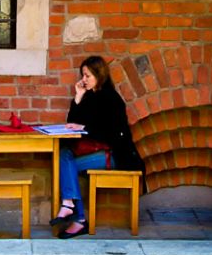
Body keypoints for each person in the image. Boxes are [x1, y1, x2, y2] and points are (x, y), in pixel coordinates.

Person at [50, 55, 145, 239]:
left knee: (66, 166)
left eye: (87, 76)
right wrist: (78, 97)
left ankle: (77, 217)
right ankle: (70, 206)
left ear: (99, 75)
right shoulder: (89, 96)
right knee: (63, 155)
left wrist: (85, 127)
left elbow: (112, 133)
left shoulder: (111, 99)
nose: (83, 80)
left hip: (115, 154)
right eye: (83, 75)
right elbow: (72, 124)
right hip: (95, 150)